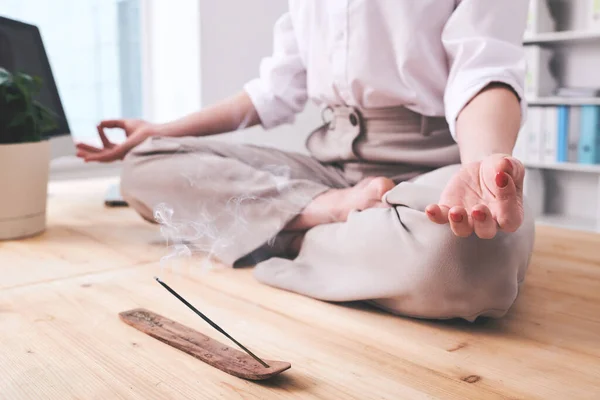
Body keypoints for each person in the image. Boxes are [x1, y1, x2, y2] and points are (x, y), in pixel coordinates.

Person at [77, 1, 535, 322]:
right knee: (145, 164)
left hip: (437, 168)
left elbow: (483, 69)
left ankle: (277, 231)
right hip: (331, 175)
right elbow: (272, 91)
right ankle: (330, 216)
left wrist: (479, 166)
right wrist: (158, 132)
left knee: (467, 259)